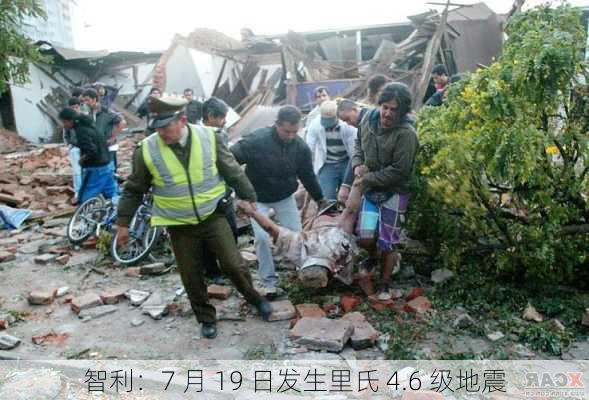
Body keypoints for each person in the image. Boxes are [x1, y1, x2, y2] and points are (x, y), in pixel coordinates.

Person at [116, 96, 272, 339]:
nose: (162, 133)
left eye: (166, 127)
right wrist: (123, 224)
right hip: (179, 225)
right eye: (157, 128)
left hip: (213, 215)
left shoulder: (209, 137)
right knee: (191, 274)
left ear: (183, 121)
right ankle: (206, 318)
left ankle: (255, 299)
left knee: (233, 264)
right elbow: (134, 188)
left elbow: (231, 169)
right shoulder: (147, 149)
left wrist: (248, 196)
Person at [231, 105, 329, 299]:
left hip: (284, 197)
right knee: (261, 238)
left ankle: (304, 273)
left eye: (295, 131)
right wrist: (238, 191)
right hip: (256, 198)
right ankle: (269, 283)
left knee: (297, 237)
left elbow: (308, 176)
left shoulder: (300, 148)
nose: (291, 136)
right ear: (277, 125)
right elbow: (229, 159)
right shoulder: (257, 140)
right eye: (287, 131)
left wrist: (320, 199)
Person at [351, 82, 419, 301]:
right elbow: (358, 144)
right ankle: (373, 256)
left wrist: (366, 179)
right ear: (379, 105)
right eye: (385, 107)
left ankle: (385, 283)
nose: (388, 113)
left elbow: (400, 171)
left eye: (394, 109)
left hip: (395, 191)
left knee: (388, 241)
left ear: (402, 112)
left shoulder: (406, 134)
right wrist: (357, 164)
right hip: (371, 190)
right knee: (364, 236)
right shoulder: (368, 120)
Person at [202, 96, 236, 284]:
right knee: (209, 236)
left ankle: (228, 268)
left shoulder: (220, 133)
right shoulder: (201, 136)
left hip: (223, 191)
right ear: (210, 116)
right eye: (222, 117)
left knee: (230, 231)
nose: (224, 121)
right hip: (208, 194)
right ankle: (213, 271)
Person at [58, 108, 117, 204]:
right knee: (112, 193)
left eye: (64, 122)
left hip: (96, 167)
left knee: (85, 197)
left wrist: (82, 159)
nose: (64, 125)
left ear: (70, 120)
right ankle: (118, 215)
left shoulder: (81, 130)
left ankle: (82, 217)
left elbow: (91, 150)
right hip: (106, 164)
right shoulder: (89, 125)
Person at [306, 100, 357, 202]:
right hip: (327, 164)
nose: (328, 126)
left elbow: (354, 155)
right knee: (328, 198)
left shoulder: (348, 126)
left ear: (337, 117)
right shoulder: (315, 125)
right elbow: (308, 148)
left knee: (348, 195)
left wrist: (346, 184)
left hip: (346, 162)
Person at [336, 99, 371, 205]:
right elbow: (357, 150)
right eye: (345, 121)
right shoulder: (362, 124)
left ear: (354, 109)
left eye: (348, 119)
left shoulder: (369, 121)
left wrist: (346, 185)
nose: (349, 124)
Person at [82, 88, 125, 171]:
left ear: (94, 99)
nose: (86, 103)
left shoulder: (105, 111)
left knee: (111, 172)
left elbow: (122, 122)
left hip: (109, 148)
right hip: (99, 149)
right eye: (84, 101)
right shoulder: (90, 114)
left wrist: (112, 138)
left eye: (87, 100)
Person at [64, 98, 83, 203]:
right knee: (77, 171)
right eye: (73, 107)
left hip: (86, 148)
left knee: (86, 169)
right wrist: (71, 144)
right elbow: (66, 136)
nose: (75, 109)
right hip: (75, 148)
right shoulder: (68, 121)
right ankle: (78, 192)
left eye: (77, 107)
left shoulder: (84, 118)